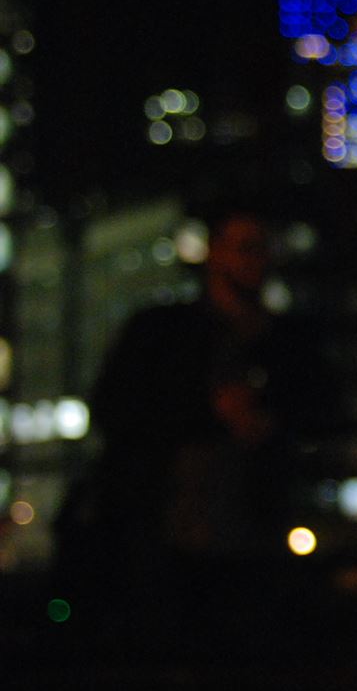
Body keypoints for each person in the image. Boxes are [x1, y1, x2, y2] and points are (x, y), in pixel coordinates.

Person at [64, 205, 325, 649]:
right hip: (167, 528)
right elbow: (115, 407)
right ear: (214, 255)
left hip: (253, 526)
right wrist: (213, 416)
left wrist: (265, 422)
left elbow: (322, 408)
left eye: (262, 249)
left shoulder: (287, 342)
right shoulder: (160, 332)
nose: (255, 260)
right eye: (245, 248)